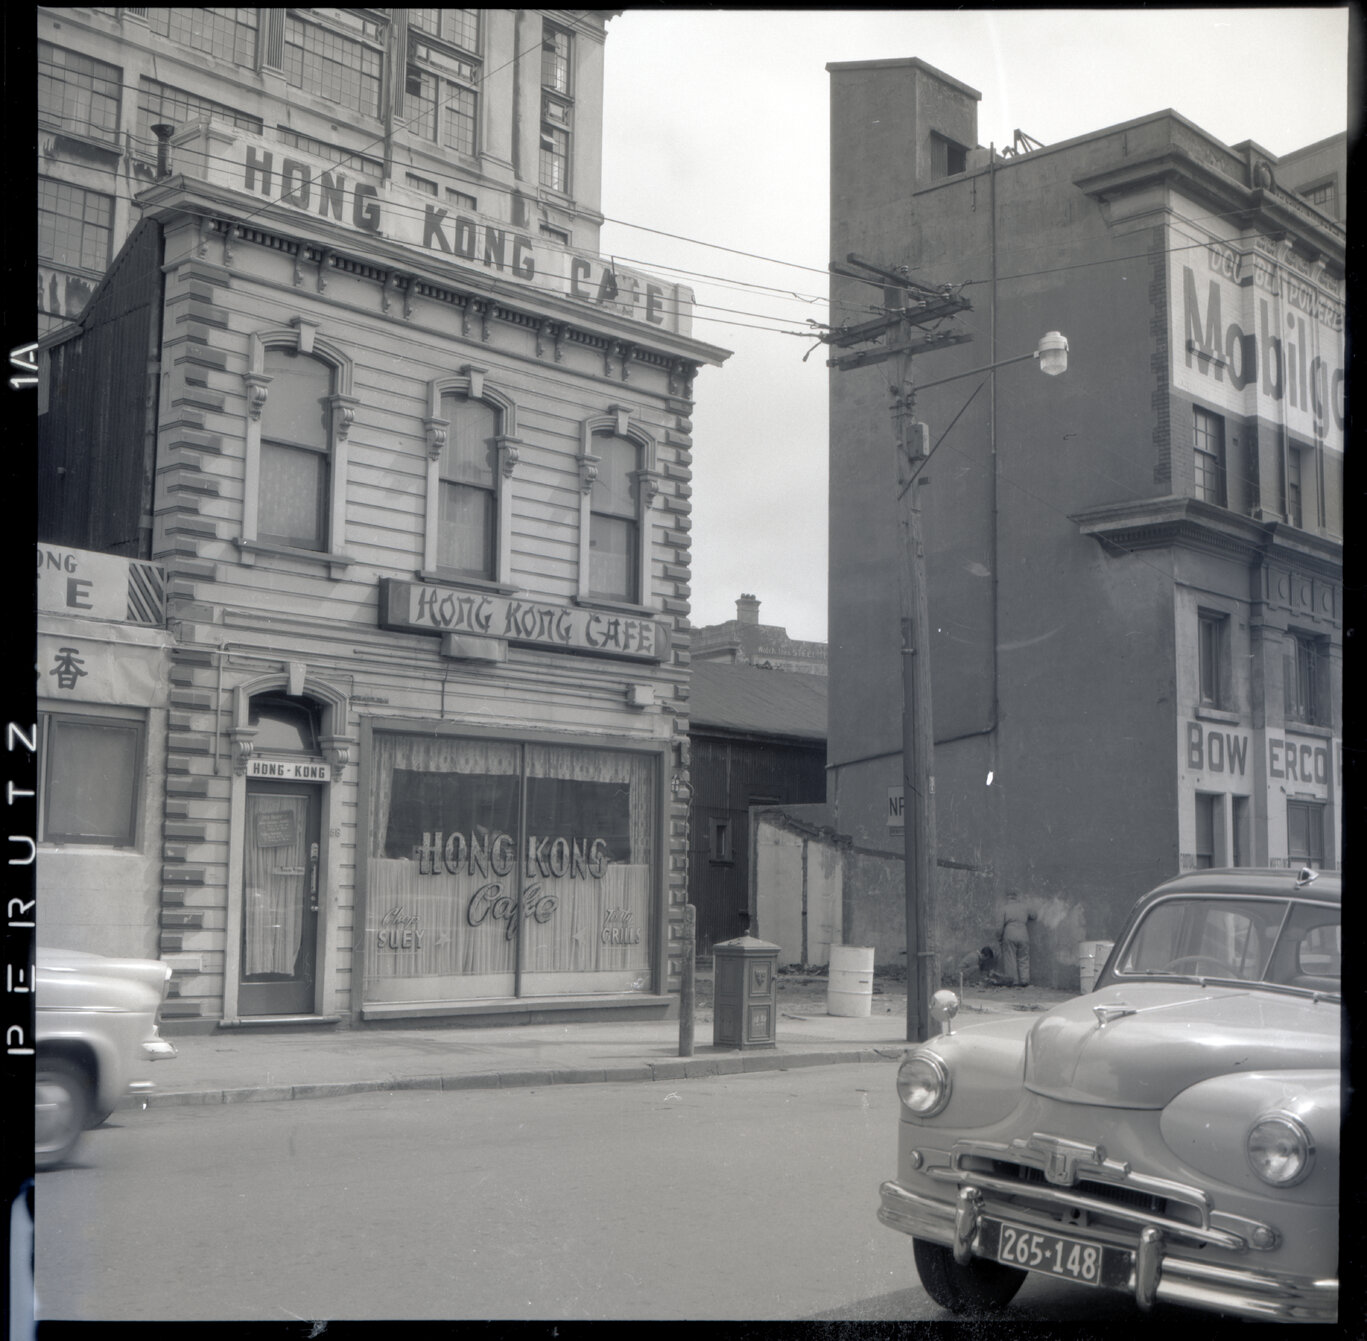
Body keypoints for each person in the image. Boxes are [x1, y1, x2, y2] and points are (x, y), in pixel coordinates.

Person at [1000, 891, 1035, 986]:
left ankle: (1013, 981)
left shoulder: (1004, 908)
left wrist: (999, 937)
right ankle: (1025, 980)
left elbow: (1000, 926)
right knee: (1024, 957)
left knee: (1010, 958)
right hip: (1023, 933)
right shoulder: (1024, 906)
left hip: (1009, 933)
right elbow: (1034, 915)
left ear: (1008, 897)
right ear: (1016, 897)